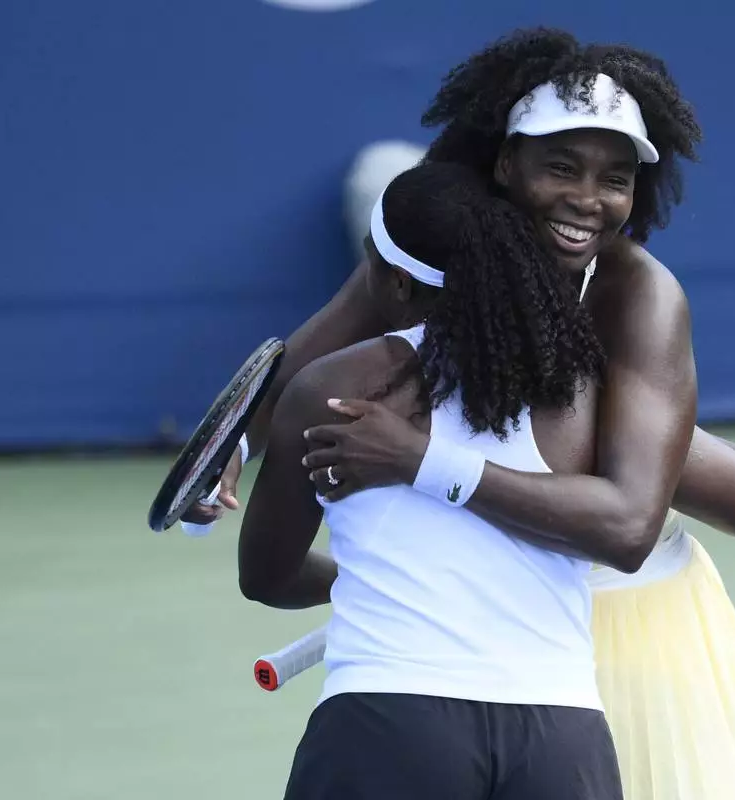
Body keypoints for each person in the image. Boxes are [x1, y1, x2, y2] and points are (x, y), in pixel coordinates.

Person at [208, 28, 735, 800]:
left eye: (613, 177)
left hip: (628, 617)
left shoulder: (638, 292)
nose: (587, 200)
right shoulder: (434, 246)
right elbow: (296, 374)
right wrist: (229, 448)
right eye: (560, 166)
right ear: (503, 163)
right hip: (490, 638)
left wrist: (591, 431)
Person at [239, 161, 621, 799]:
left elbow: (266, 577)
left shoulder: (330, 389)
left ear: (394, 284)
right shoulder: (583, 391)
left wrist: (379, 582)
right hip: (564, 742)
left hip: (385, 726)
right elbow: (634, 521)